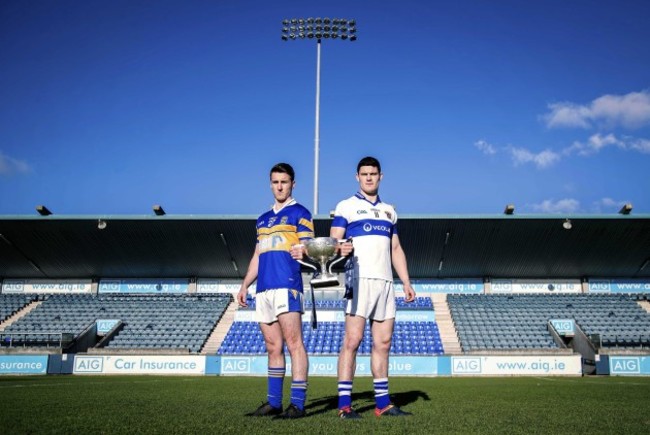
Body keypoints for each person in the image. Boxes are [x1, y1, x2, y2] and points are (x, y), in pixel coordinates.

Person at [331, 156, 417, 419]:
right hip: (359, 280)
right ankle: (345, 405)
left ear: (381, 176)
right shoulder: (346, 206)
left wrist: (406, 281)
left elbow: (395, 248)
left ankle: (382, 404)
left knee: (383, 342)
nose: (369, 177)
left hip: (385, 283)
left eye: (373, 173)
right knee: (352, 341)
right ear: (357, 177)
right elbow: (332, 242)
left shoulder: (390, 211)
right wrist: (340, 247)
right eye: (364, 174)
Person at [237, 162, 314, 419]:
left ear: (293, 183)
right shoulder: (262, 219)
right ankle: (273, 402)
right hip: (264, 289)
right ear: (270, 184)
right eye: (275, 182)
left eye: (284, 181)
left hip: (287, 285)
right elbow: (258, 254)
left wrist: (303, 250)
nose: (279, 186)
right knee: (272, 346)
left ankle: (298, 404)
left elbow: (309, 250)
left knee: (294, 344)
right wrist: (245, 284)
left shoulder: (300, 213)